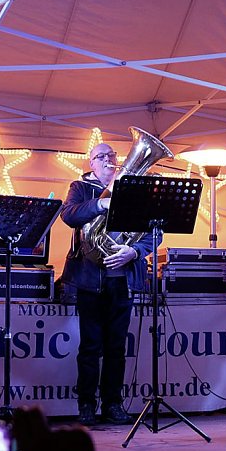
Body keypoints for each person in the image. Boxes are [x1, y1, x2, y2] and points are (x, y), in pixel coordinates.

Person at [60, 143, 153, 426]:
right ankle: (86, 405)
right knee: (90, 347)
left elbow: (153, 232)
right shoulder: (80, 186)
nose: (107, 160)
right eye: (100, 156)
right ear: (91, 162)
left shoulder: (133, 188)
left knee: (116, 348)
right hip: (89, 280)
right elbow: (69, 215)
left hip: (122, 279)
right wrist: (101, 202)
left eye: (111, 156)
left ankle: (113, 404)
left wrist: (135, 252)